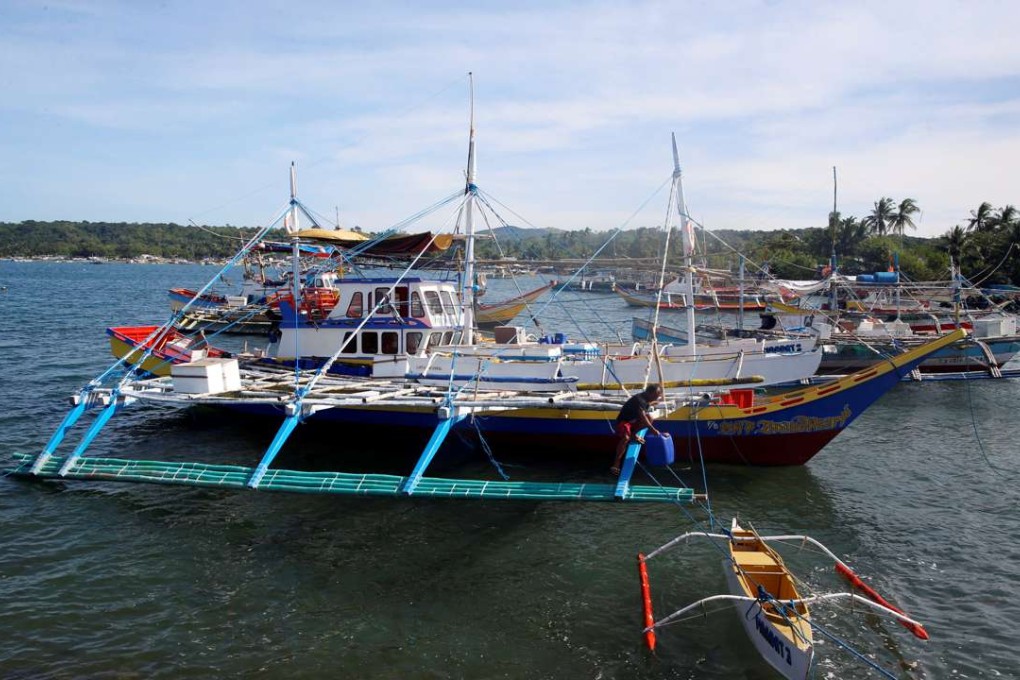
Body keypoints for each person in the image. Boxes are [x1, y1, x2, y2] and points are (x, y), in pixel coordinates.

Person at [611, 384, 663, 475]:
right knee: (626, 438)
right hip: (624, 422)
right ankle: (617, 462)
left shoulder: (646, 399)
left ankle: (633, 435)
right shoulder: (639, 399)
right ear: (649, 393)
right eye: (655, 396)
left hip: (633, 422)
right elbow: (642, 416)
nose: (656, 398)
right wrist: (653, 429)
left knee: (650, 418)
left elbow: (645, 415)